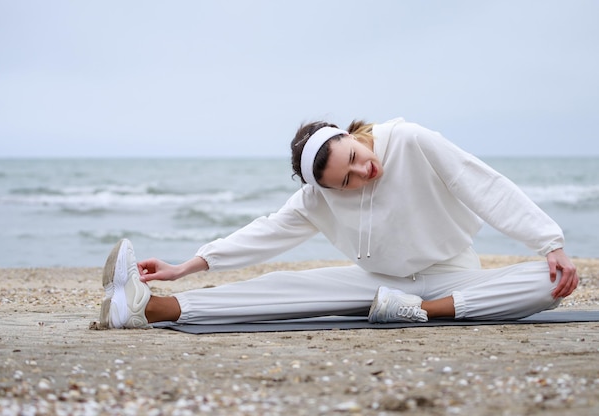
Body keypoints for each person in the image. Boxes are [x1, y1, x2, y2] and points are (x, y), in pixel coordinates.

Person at [98, 117, 579, 329]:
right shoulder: (316, 199)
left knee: (548, 281)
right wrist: (188, 266)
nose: (363, 172)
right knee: (284, 287)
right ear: (325, 188)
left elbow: (483, 184)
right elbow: (266, 232)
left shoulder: (410, 140)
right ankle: (144, 308)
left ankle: (421, 313)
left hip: (452, 274)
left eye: (355, 157)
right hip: (380, 283)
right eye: (346, 179)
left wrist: (548, 241)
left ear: (352, 136)